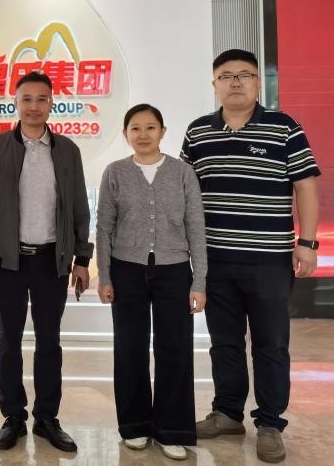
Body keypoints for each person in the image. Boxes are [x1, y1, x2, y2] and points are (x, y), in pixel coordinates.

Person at [182, 49, 320, 464]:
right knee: (223, 343)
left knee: (270, 344)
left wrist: (307, 242)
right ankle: (227, 413)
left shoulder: (285, 128)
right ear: (214, 85)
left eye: (245, 74)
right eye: (226, 76)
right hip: (215, 260)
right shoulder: (198, 132)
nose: (236, 82)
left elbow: (306, 186)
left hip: (269, 260)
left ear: (259, 82)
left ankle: (271, 423)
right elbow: (183, 192)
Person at [0, 71, 92, 453]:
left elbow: (79, 207)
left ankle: (46, 418)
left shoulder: (67, 150)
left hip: (51, 262)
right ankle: (13, 417)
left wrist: (82, 259)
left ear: (51, 103)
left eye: (42, 99)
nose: (34, 106)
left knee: (49, 342)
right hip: (8, 262)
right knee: (8, 342)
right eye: (26, 99)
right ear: (15, 102)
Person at [96, 103, 207, 461]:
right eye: (135, 128)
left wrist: (199, 281)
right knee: (130, 347)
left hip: (175, 271)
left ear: (162, 132)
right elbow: (104, 227)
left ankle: (172, 429)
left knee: (175, 349)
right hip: (126, 269)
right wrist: (105, 275)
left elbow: (196, 227)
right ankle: (134, 425)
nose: (143, 135)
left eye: (150, 127)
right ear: (125, 134)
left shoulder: (182, 173)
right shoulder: (115, 173)